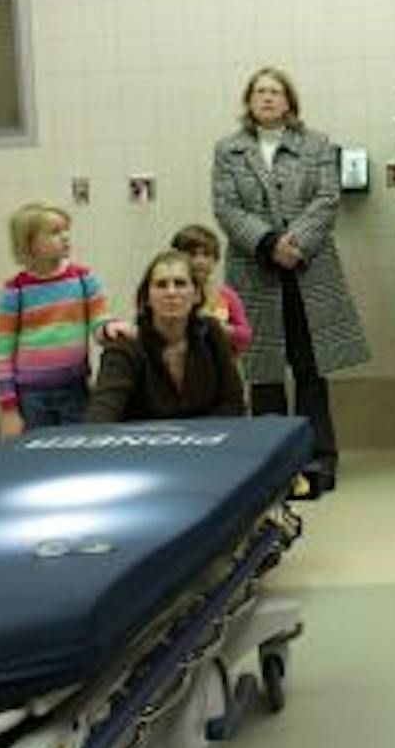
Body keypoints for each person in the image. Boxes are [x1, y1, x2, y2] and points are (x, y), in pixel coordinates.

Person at [213, 67, 369, 495]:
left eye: (276, 92)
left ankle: (319, 459)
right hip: (255, 270)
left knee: (310, 369)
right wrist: (267, 242)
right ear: (248, 101)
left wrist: (292, 243)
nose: (267, 98)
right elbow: (225, 207)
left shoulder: (316, 144)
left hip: (307, 269)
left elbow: (326, 198)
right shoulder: (229, 151)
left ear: (289, 102)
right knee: (263, 373)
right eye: (260, 92)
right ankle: (272, 468)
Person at [88, 250, 248, 422]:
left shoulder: (212, 333)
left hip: (206, 442)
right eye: (161, 285)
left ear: (196, 295)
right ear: (146, 298)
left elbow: (233, 402)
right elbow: (102, 413)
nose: (171, 293)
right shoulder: (124, 345)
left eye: (180, 284)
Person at [0, 202, 111, 434]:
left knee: (77, 453)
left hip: (76, 388)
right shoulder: (16, 290)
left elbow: (100, 319)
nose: (65, 237)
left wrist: (110, 329)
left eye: (66, 230)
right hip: (32, 396)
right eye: (55, 232)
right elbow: (2, 353)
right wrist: (8, 410)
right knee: (37, 457)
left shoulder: (83, 278)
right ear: (29, 244)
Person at [169, 222, 253, 356]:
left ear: (215, 259)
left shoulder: (227, 295)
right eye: (192, 254)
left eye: (206, 255)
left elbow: (245, 335)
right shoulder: (171, 292)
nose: (200, 261)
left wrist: (222, 329)